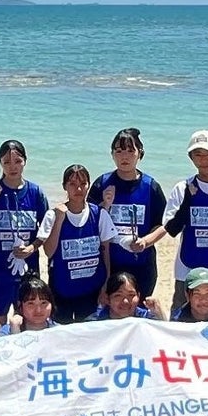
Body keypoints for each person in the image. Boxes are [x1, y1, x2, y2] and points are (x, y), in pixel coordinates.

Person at [129, 129, 208, 311]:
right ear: (191, 157)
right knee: (182, 316)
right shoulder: (182, 188)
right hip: (188, 268)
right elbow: (172, 229)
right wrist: (188, 200)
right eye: (198, 154)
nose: (203, 159)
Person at [89, 127, 166, 302]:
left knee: (139, 309)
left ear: (140, 154)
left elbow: (162, 225)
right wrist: (104, 205)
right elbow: (89, 222)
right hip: (110, 263)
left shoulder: (151, 186)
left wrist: (145, 242)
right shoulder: (102, 183)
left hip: (142, 264)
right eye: (119, 151)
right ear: (112, 154)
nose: (124, 156)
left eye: (131, 151)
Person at [39, 163, 118, 324]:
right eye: (73, 184)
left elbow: (106, 253)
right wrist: (59, 220)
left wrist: (105, 286)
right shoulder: (53, 215)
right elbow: (49, 252)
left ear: (89, 185)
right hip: (62, 290)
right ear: (65, 186)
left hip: (91, 291)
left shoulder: (99, 214)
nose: (79, 189)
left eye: (83, 184)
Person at [0, 139, 50, 319]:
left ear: (25, 161)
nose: (12, 167)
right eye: (6, 162)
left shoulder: (35, 192)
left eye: (17, 161)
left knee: (26, 318)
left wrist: (32, 247)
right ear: (0, 162)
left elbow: (46, 229)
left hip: (27, 268)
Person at [91, 270, 161, 321]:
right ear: (107, 299)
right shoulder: (93, 323)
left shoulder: (145, 318)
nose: (125, 301)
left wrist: (159, 313)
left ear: (138, 296)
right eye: (118, 295)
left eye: (131, 295)